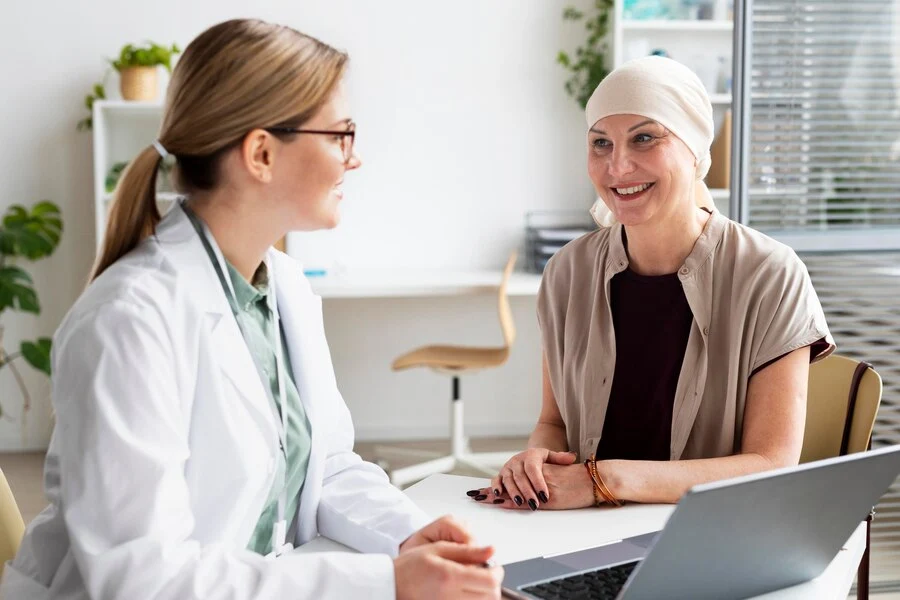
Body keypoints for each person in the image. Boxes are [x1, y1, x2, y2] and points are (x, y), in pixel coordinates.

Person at [1, 19, 503, 600]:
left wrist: (409, 534)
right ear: (262, 153)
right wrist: (383, 584)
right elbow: (141, 580)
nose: (354, 158)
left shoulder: (282, 286)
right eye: (341, 135)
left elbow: (327, 466)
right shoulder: (128, 320)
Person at [469, 56, 834, 512]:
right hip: (579, 532)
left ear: (696, 151)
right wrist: (536, 463)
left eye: (644, 138)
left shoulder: (770, 274)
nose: (618, 166)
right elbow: (553, 423)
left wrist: (604, 479)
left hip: (706, 533)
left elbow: (770, 463)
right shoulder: (567, 272)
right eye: (600, 143)